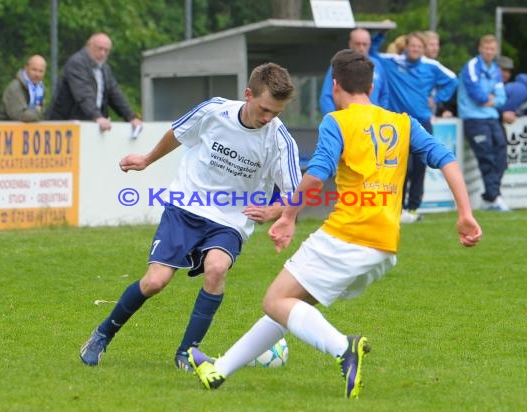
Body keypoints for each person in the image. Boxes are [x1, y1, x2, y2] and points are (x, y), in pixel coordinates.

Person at [187, 49, 482, 399]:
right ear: (371, 86)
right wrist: (465, 213)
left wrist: (288, 216)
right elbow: (445, 158)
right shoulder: (403, 123)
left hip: (348, 234)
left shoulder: (337, 121)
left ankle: (344, 348)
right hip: (384, 244)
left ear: (336, 85)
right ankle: (219, 370)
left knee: (274, 300)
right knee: (292, 305)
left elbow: (316, 177)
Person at [79, 62, 302, 371]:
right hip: (186, 204)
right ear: (248, 94)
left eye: (276, 113)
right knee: (155, 281)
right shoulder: (215, 112)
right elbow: (178, 133)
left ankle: (187, 353)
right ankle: (102, 334)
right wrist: (147, 159)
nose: (268, 118)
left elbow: (296, 194)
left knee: (216, 268)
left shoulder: (280, 141)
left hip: (230, 219)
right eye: (264, 109)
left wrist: (274, 211)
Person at [374, 32, 458, 223]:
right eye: (413, 46)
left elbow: (453, 80)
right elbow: (372, 53)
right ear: (406, 47)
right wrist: (381, 34)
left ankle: (413, 207)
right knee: (400, 167)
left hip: (422, 122)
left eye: (419, 47)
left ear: (424, 49)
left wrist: (437, 99)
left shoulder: (431, 66)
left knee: (420, 166)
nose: (416, 49)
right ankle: (398, 207)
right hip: (397, 123)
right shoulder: (393, 62)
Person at [47, 32, 142, 133]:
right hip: (63, 127)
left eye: (106, 50)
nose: (102, 53)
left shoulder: (105, 69)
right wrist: (97, 117)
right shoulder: (76, 64)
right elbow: (84, 95)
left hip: (87, 125)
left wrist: (131, 117)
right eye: (99, 49)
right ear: (89, 46)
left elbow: (115, 95)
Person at [457, 34, 509, 211]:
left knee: (501, 157)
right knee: (486, 157)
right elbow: (477, 96)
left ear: (495, 51)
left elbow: (502, 98)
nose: (489, 52)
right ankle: (494, 197)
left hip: (492, 117)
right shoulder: (471, 67)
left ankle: (490, 196)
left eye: (492, 49)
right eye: (486, 48)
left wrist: (491, 100)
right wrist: (490, 99)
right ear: (480, 48)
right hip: (474, 118)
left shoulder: (495, 69)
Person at [319, 28, 389, 115]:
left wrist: (381, 118)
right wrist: (334, 120)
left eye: (365, 44)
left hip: (372, 122)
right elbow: (326, 96)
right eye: (358, 44)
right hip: (347, 121)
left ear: (370, 44)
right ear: (350, 44)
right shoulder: (340, 64)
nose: (361, 48)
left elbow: (384, 96)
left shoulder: (377, 65)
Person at [0, 55, 46, 122]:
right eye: (34, 70)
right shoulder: (16, 87)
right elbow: (20, 116)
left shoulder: (40, 89)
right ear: (26, 68)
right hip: (6, 130)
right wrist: (38, 112)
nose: (37, 74)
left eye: (41, 71)